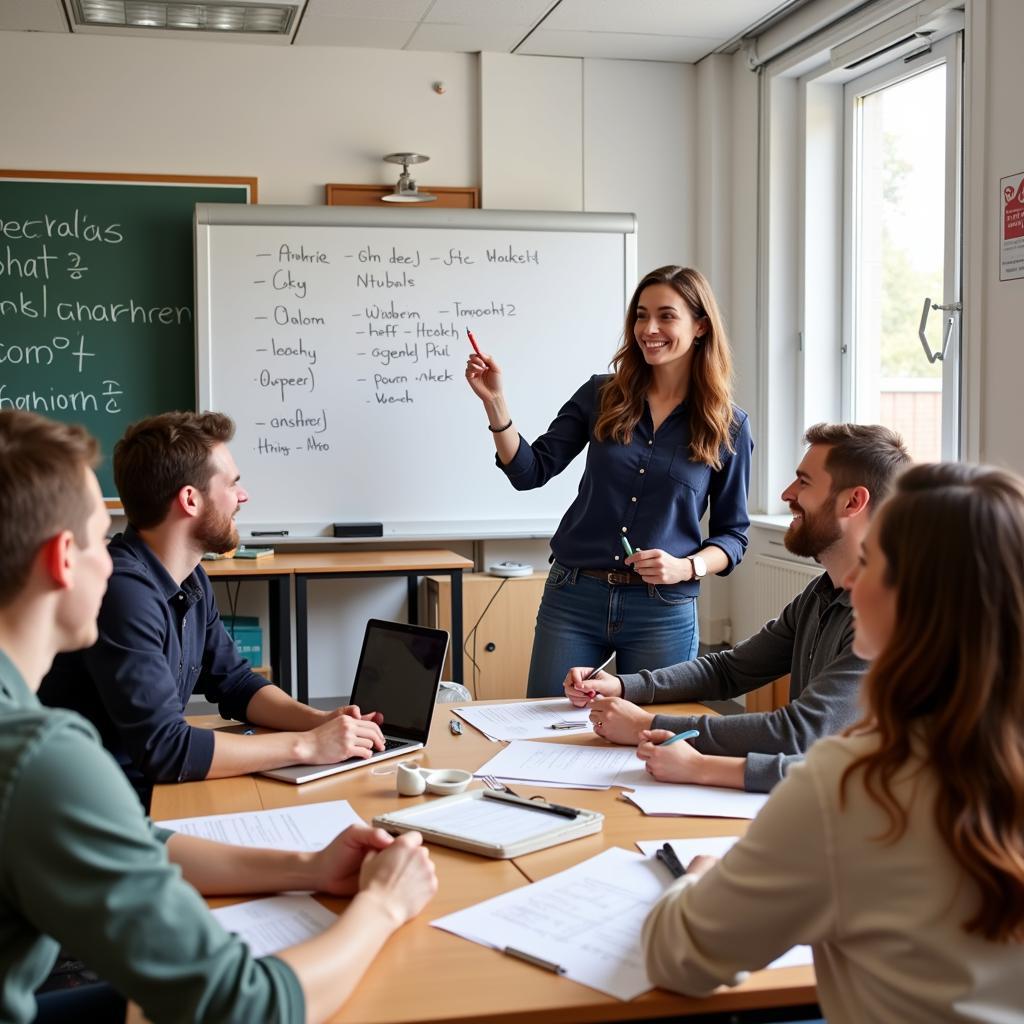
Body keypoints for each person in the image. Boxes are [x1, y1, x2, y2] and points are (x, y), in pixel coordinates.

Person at [0, 409, 437, 1024]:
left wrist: (308, 866)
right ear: (62, 559)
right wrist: (385, 905)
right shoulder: (43, 753)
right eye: (100, 537)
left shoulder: (23, 721)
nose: (112, 557)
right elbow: (246, 1007)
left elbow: (136, 837)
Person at [642, 462, 1024, 1021]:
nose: (850, 581)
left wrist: (694, 879)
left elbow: (679, 958)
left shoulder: (852, 786)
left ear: (911, 600)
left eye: (869, 563)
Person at [40, 411, 386, 808]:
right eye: (233, 484)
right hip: (104, 806)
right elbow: (165, 749)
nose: (243, 496)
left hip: (153, 792)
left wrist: (320, 721)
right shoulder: (123, 592)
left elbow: (235, 684)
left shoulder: (190, 578)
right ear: (190, 499)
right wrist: (306, 746)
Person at [566, 423, 910, 793]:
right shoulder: (823, 592)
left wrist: (646, 725)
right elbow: (730, 669)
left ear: (853, 502)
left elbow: (798, 734)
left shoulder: (889, 615)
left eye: (804, 482)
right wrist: (622, 685)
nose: (787, 493)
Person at [466, 266, 752, 698]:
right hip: (574, 596)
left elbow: (733, 536)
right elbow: (530, 471)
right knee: (546, 728)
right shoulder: (600, 395)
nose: (648, 329)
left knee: (651, 736)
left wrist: (685, 566)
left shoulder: (727, 425)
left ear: (700, 326)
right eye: (640, 315)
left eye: (666, 316)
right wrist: (496, 403)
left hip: (664, 608)